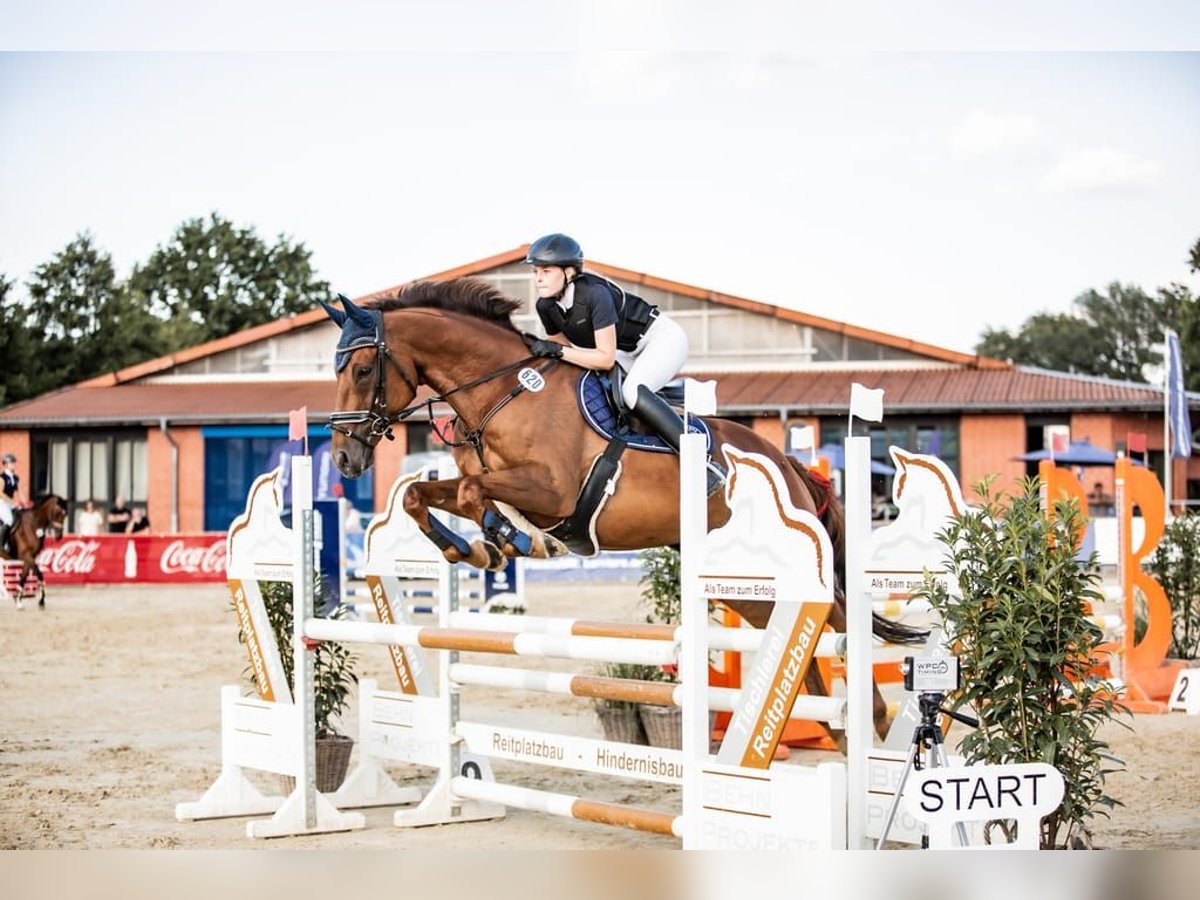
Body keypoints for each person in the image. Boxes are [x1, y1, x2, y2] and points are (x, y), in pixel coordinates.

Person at [523, 233, 723, 492]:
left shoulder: (595, 294)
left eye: (546, 271)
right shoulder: (545, 306)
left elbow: (603, 359)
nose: (538, 278)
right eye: (536, 271)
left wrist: (556, 351)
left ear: (569, 272)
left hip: (661, 340)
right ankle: (675, 394)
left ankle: (701, 466)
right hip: (623, 351)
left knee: (630, 392)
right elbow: (566, 352)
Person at [0, 452, 26, 550]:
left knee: (21, 516)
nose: (13, 465)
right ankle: (1, 544)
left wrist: (25, 503)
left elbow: (20, 492)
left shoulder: (15, 478)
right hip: (2, 502)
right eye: (11, 463)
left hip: (10, 503)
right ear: (6, 464)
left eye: (14, 463)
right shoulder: (2, 477)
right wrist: (12, 501)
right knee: (9, 520)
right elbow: (0, 493)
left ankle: (13, 543)